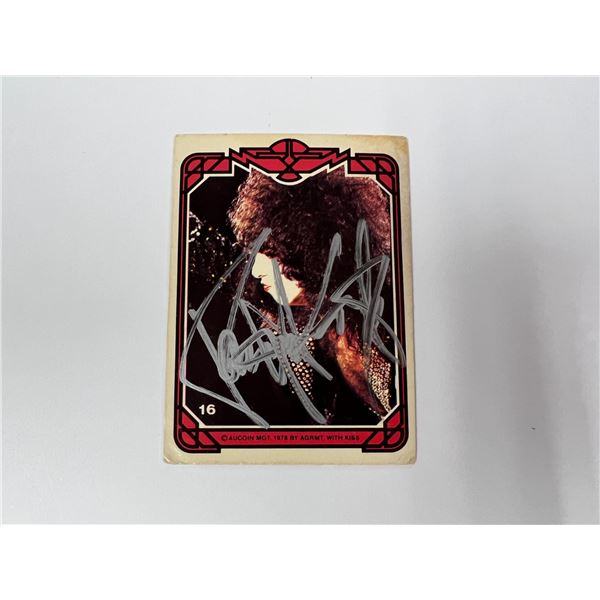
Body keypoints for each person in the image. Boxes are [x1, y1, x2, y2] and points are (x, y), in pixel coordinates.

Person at [228, 166, 397, 425]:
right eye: (254, 252)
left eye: (270, 253)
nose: (256, 270)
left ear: (316, 250)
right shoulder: (293, 342)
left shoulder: (394, 319)